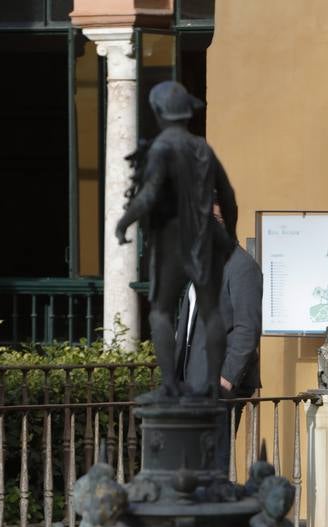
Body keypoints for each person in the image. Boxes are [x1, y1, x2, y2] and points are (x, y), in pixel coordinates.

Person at [114, 80, 237, 403]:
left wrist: (124, 222)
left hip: (172, 242)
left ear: (158, 112)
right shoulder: (202, 148)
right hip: (206, 239)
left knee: (161, 312)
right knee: (212, 312)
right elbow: (228, 196)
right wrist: (230, 235)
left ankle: (169, 384)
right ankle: (211, 385)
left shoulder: (162, 148)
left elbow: (150, 193)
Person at [176, 212, 262, 475]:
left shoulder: (241, 266)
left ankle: (211, 515)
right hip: (190, 383)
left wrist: (227, 378)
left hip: (217, 387)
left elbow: (248, 328)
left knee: (211, 464)